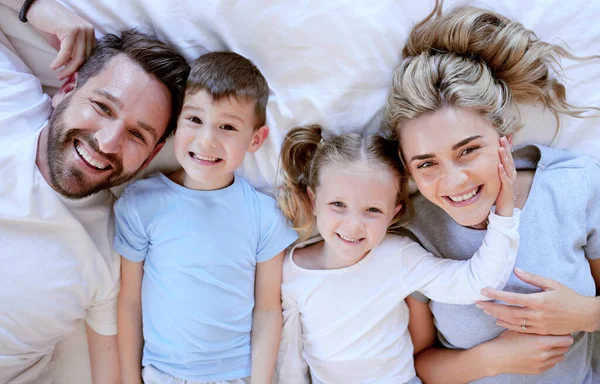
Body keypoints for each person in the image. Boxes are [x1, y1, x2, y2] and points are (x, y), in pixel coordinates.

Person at [385, 1, 600, 383]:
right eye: (426, 164)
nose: (454, 182)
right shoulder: (414, 234)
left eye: (468, 150)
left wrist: (585, 313)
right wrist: (494, 359)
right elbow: (420, 364)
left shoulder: (573, 184)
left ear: (505, 138)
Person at [0, 0, 190, 382]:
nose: (107, 142)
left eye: (137, 134)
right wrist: (36, 8)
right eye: (102, 107)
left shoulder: (110, 255)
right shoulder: (8, 99)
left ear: (152, 154)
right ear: (68, 87)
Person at [274, 125, 520, 383]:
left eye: (372, 210)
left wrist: (504, 213)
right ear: (313, 201)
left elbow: (476, 283)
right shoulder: (292, 269)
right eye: (338, 205)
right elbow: (290, 354)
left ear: (394, 213)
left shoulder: (397, 256)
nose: (353, 225)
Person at [114, 51, 297, 384]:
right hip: (161, 374)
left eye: (227, 126)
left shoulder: (265, 216)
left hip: (236, 376)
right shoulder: (141, 204)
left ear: (255, 140)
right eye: (195, 120)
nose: (207, 140)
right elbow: (128, 300)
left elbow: (268, 309)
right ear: (176, 122)